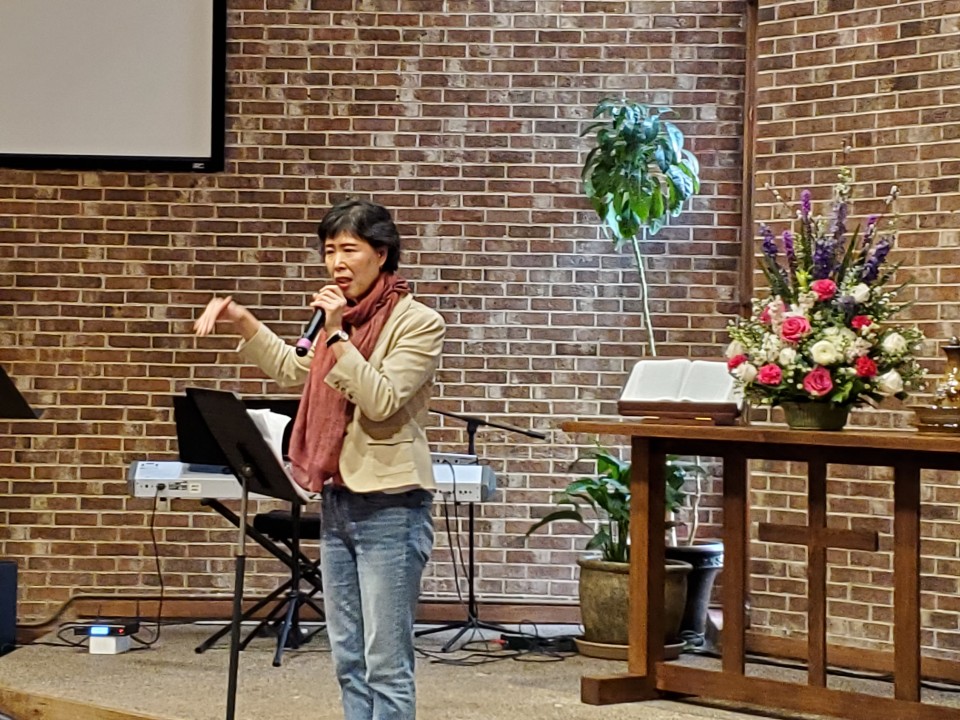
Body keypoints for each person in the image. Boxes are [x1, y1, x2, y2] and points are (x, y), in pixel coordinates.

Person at [194, 200, 445, 720]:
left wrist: (336, 334)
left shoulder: (418, 322)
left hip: (391, 508)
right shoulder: (339, 321)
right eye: (329, 251)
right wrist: (243, 321)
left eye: (349, 249)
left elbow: (380, 399)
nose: (337, 263)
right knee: (348, 658)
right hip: (338, 501)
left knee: (385, 662)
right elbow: (295, 369)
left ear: (381, 253)